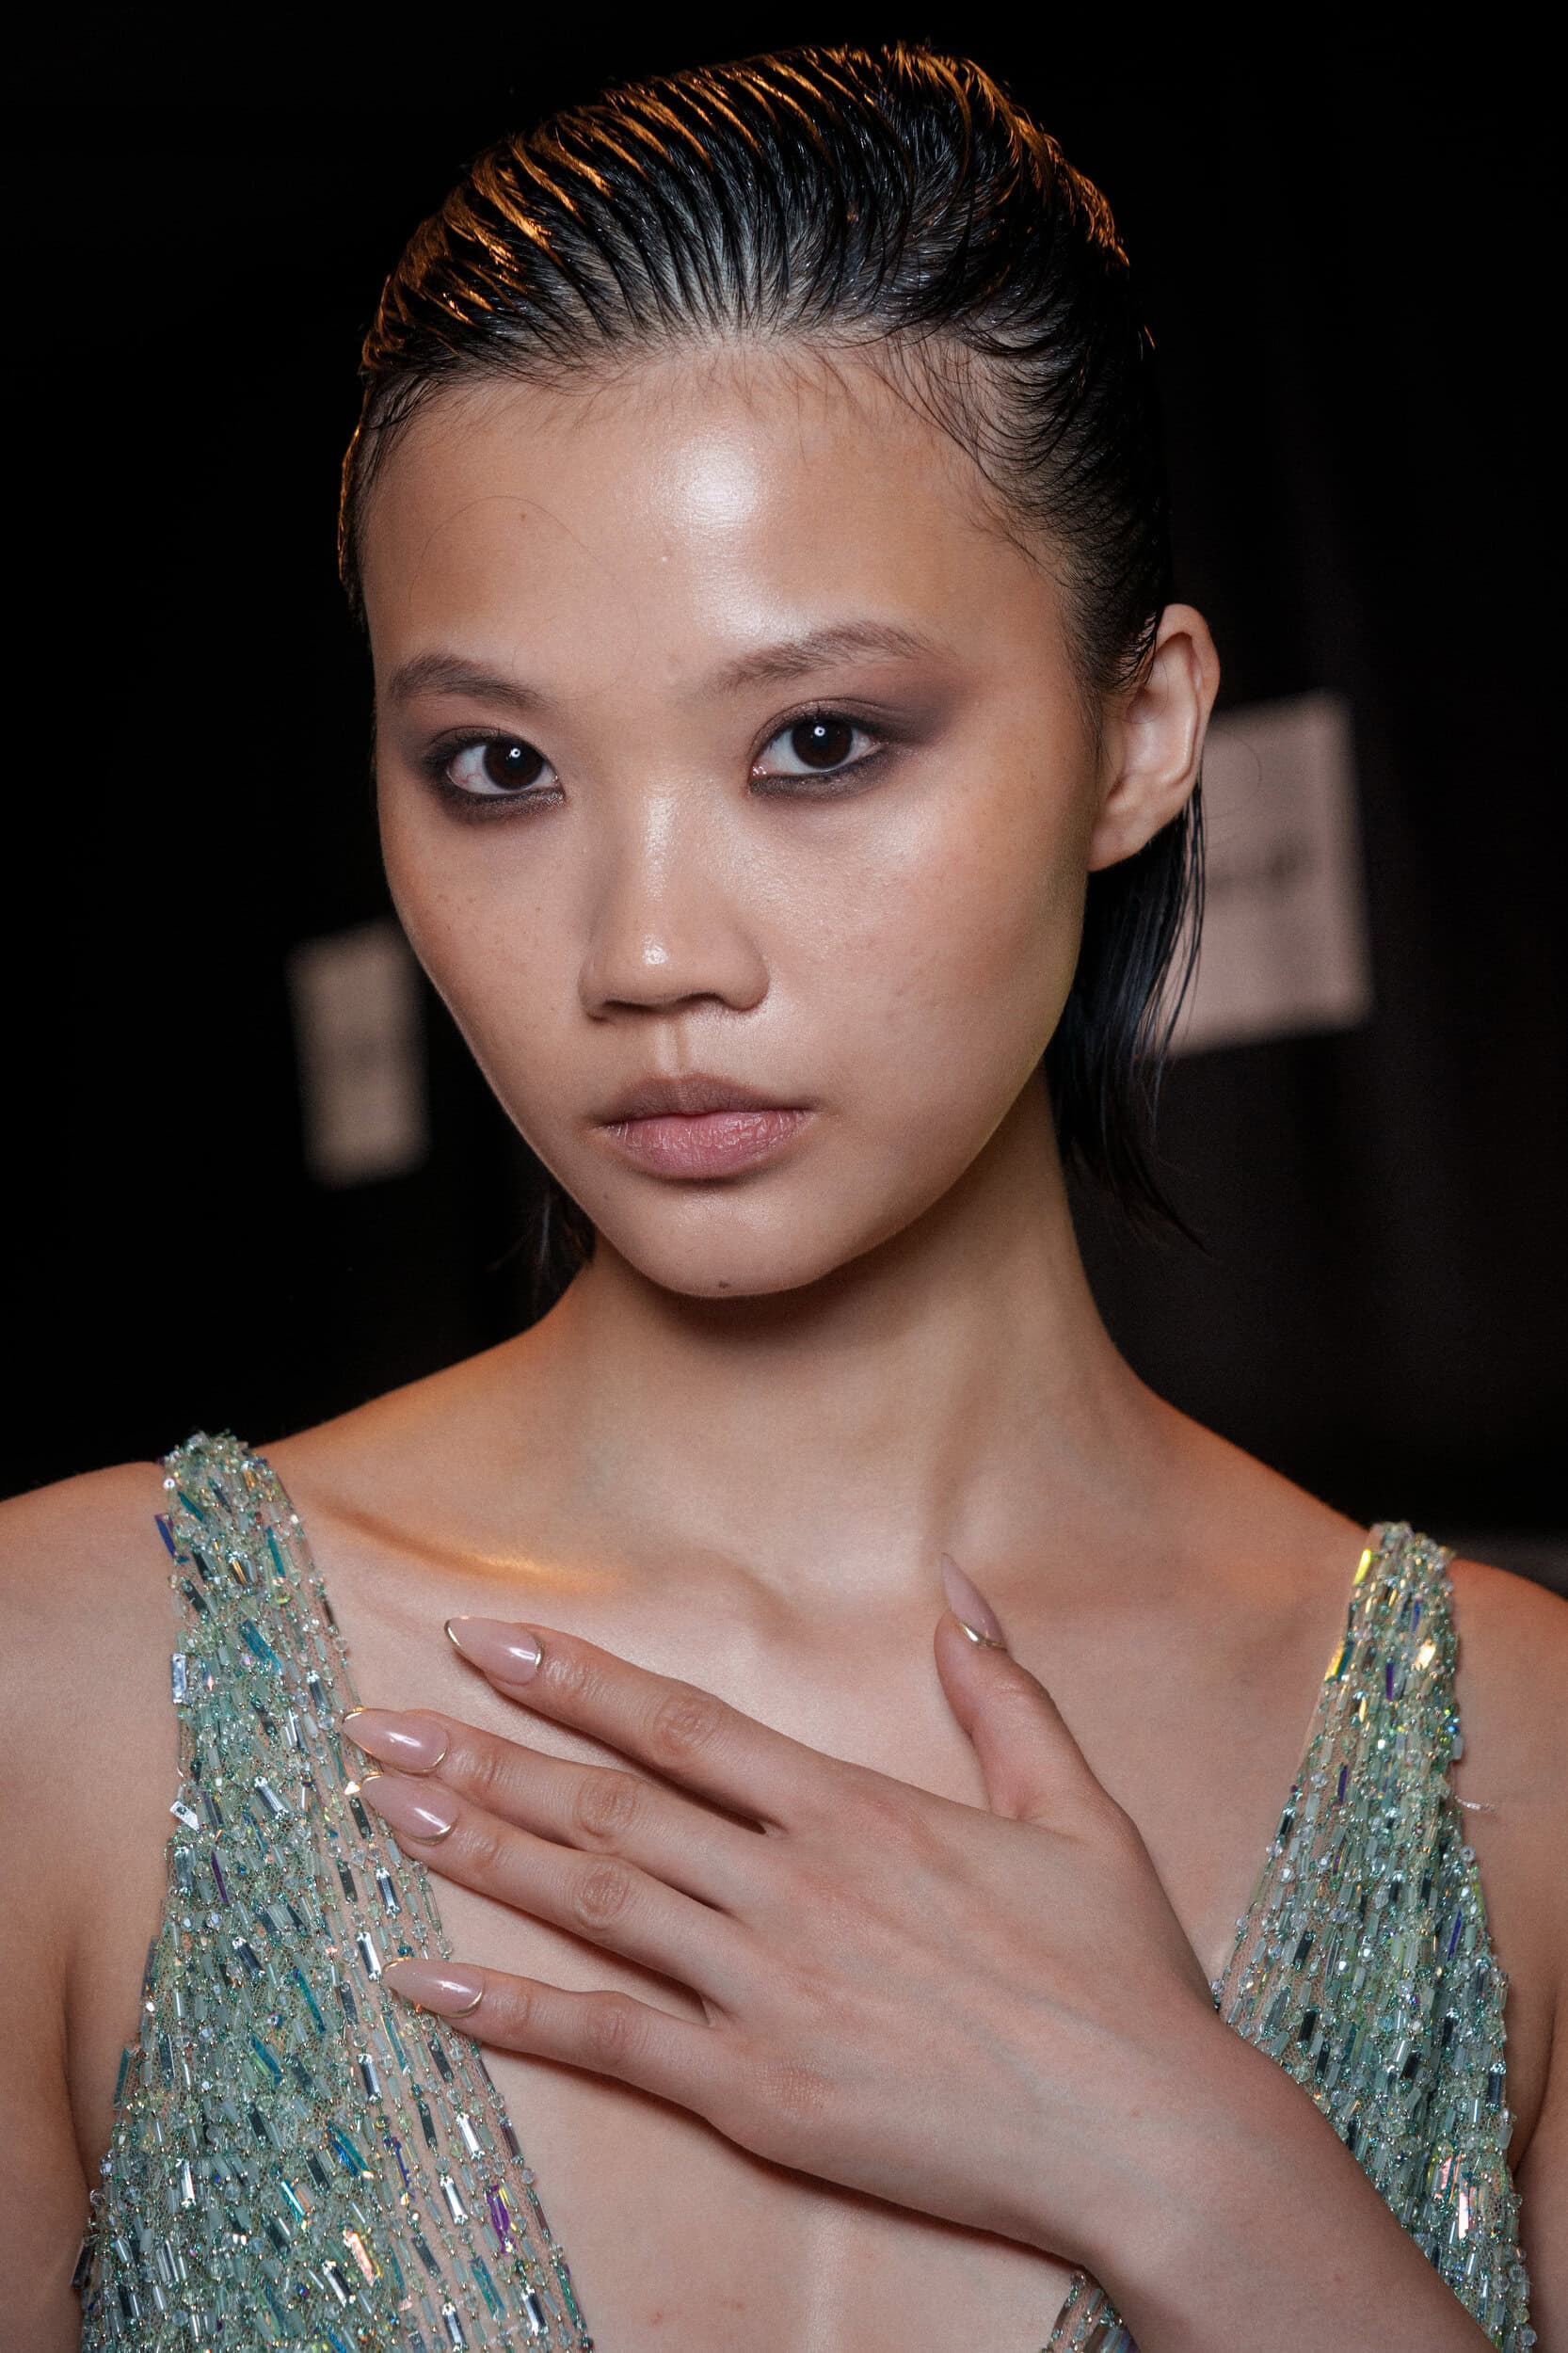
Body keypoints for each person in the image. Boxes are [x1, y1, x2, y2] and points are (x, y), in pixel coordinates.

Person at [2, 40, 1560, 2353]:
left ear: (1138, 732)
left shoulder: (1524, 1770)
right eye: (496, 766)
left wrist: (1189, 2162)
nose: (645, 953)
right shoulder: (66, 1687)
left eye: (815, 742)